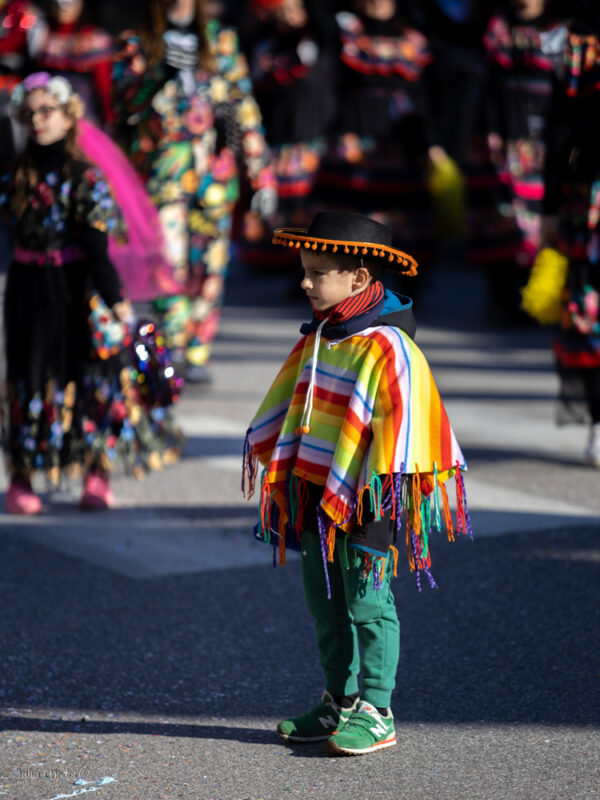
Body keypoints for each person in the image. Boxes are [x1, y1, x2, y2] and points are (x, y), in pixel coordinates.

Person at [242, 211, 470, 756]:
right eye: (305, 270)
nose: (305, 282)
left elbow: (408, 431)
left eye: (317, 272)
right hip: (317, 491)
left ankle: (378, 708)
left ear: (359, 280)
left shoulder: (388, 346)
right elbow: (297, 403)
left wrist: (380, 502)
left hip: (369, 497)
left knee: (368, 602)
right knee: (323, 602)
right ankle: (338, 700)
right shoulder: (325, 333)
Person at [0, 72, 180, 514]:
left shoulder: (87, 178)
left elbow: (99, 251)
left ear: (69, 115)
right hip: (27, 290)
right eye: (29, 113)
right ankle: (22, 475)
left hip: (78, 289)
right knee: (30, 377)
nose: (37, 120)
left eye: (47, 111)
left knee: (93, 380)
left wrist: (117, 303)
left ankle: (96, 473)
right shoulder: (14, 174)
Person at [112, 0, 276, 385]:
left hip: (214, 174)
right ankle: (173, 350)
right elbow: (122, 107)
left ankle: (196, 351)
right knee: (167, 263)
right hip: (163, 172)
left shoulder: (221, 40)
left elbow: (244, 107)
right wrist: (157, 76)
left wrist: (261, 173)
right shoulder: (137, 41)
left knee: (210, 263)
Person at [542, 24, 600, 465]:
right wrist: (549, 204)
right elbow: (559, 128)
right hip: (590, 198)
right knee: (589, 313)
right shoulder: (581, 44)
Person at [33, 0, 116, 127]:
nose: (61, 8)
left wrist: (109, 117)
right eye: (56, 3)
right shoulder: (41, 34)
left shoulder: (94, 39)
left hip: (83, 114)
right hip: (47, 117)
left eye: (68, 2)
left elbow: (104, 83)